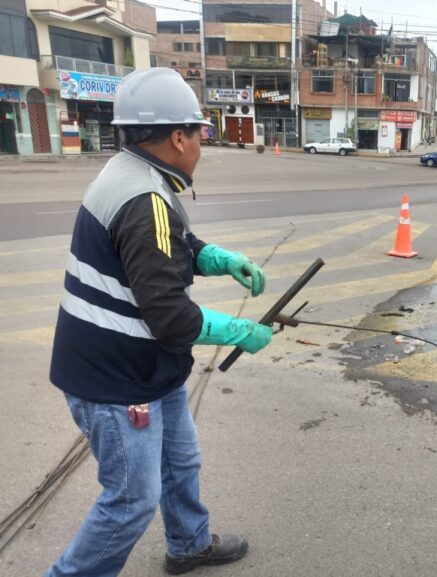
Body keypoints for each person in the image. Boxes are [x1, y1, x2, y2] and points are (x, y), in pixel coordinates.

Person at [47, 68, 272, 576]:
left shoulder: (134, 172)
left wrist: (213, 256)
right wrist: (238, 331)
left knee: (180, 463)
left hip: (147, 365)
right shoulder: (144, 199)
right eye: (199, 133)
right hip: (116, 376)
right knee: (131, 501)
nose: (201, 145)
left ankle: (188, 544)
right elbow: (171, 318)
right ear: (177, 136)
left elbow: (165, 249)